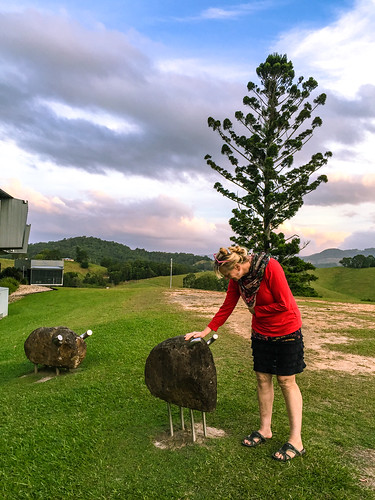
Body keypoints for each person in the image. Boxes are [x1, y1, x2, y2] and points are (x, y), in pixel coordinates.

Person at [185, 245, 306, 462]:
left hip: (287, 330)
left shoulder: (270, 268)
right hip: (261, 333)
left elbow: (284, 303)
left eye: (228, 274)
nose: (227, 278)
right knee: (262, 379)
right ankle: (265, 429)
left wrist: (256, 310)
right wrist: (206, 330)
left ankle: (296, 439)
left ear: (238, 266)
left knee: (286, 381)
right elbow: (227, 305)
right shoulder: (238, 280)